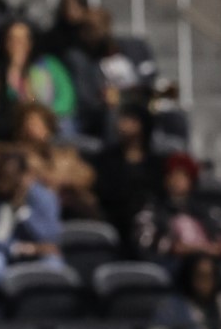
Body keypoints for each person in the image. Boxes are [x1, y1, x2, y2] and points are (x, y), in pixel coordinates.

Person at [0, 149, 62, 285]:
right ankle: (0, 305)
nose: (4, 182)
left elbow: (49, 238)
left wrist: (21, 210)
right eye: (0, 176)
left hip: (37, 255)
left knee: (53, 266)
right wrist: (15, 248)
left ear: (24, 176)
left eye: (11, 177)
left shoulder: (43, 197)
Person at [96, 104, 164, 250]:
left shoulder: (155, 164)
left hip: (147, 222)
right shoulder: (107, 159)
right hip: (115, 220)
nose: (122, 123)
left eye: (129, 119)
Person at [11, 103, 96, 218]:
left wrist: (64, 179)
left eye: (39, 123)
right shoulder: (18, 155)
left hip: (72, 204)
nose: (36, 128)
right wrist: (59, 177)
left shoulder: (65, 152)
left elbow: (87, 175)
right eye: (32, 123)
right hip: (37, 209)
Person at [0, 20, 76, 131]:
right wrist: (15, 69)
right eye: (12, 39)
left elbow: (67, 97)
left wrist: (46, 115)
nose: (17, 44)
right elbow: (11, 101)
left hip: (58, 120)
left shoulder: (50, 64)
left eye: (22, 40)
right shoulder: (0, 71)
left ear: (30, 43)